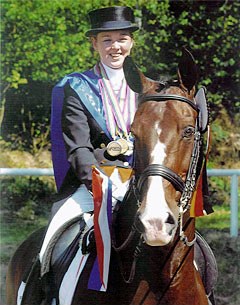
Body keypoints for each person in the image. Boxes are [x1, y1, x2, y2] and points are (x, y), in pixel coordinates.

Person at [17, 6, 139, 305]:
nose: (115, 46)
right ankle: (40, 296)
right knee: (50, 244)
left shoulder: (150, 87)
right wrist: (102, 183)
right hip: (93, 185)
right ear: (94, 43)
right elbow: (78, 147)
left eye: (122, 38)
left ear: (131, 42)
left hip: (143, 183)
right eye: (107, 39)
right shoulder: (76, 87)